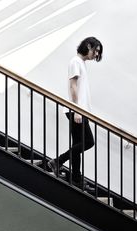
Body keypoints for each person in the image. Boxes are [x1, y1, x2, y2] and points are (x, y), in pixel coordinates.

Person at [47, 37, 103, 186]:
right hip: (75, 111)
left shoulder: (81, 64)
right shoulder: (75, 62)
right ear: (88, 46)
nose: (96, 55)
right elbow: (73, 86)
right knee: (88, 142)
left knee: (78, 144)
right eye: (96, 51)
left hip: (78, 111)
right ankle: (58, 161)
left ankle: (76, 178)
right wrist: (77, 110)